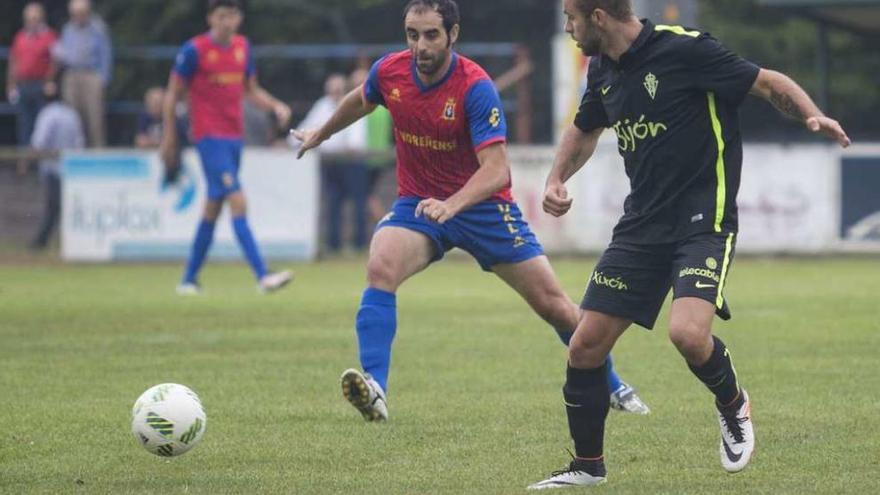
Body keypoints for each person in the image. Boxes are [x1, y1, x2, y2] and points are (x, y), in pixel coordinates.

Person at [527, 0, 851, 489]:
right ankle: (588, 467)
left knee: (688, 334)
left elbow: (766, 82)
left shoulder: (685, 49)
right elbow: (585, 128)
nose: (568, 28)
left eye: (571, 18)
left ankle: (733, 403)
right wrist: (555, 178)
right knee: (585, 346)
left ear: (597, 16)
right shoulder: (602, 70)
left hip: (704, 220)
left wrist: (812, 115)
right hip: (641, 227)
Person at [293, 0, 648, 422]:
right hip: (419, 205)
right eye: (412, 35)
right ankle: (375, 388)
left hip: (484, 210)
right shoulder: (390, 71)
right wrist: (322, 131)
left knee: (555, 306)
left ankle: (614, 385)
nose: (419, 46)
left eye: (430, 35)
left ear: (452, 35)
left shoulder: (474, 87)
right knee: (381, 265)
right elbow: (363, 99)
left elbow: (497, 171)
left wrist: (453, 204)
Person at [160, 0, 293, 295]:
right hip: (209, 138)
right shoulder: (193, 50)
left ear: (239, 18)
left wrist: (275, 105)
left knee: (212, 207)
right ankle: (263, 274)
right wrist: (169, 136)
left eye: (232, 16)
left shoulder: (243, 47)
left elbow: (251, 90)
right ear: (210, 18)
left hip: (235, 138)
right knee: (237, 200)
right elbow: (172, 95)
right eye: (221, 16)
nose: (227, 22)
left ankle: (188, 279)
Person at [297, 73, 370, 253]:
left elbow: (356, 138)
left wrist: (351, 146)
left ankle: (360, 243)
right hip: (331, 162)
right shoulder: (322, 106)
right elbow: (308, 125)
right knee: (333, 202)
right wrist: (293, 140)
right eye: (331, 90)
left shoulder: (352, 102)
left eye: (337, 89)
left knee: (359, 203)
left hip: (352, 161)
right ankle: (334, 244)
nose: (334, 93)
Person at [29, 74, 85, 250]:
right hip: (71, 168)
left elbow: (39, 142)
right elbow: (79, 143)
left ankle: (42, 242)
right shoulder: (72, 114)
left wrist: (29, 161)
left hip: (52, 168)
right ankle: (56, 241)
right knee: (63, 207)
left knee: (53, 208)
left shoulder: (47, 114)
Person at [53, 0, 112, 148]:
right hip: (71, 75)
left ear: (88, 12)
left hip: (91, 75)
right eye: (74, 14)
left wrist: (103, 79)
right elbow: (63, 51)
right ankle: (74, 151)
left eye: (81, 13)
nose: (77, 17)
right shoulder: (67, 29)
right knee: (71, 117)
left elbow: (106, 54)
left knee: (95, 117)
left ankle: (98, 152)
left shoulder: (98, 28)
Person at [349, 67, 396, 225]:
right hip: (381, 157)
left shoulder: (365, 107)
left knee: (368, 198)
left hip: (366, 160)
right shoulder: (385, 106)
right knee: (369, 197)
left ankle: (386, 224)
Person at [7, 2, 57, 150]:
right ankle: (24, 163)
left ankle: (42, 163)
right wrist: (11, 84)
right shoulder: (20, 37)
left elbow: (56, 61)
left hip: (41, 85)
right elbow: (13, 61)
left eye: (35, 18)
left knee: (42, 124)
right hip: (23, 85)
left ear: (41, 18)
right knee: (23, 124)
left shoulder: (49, 36)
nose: (32, 21)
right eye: (30, 19)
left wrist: (50, 81)